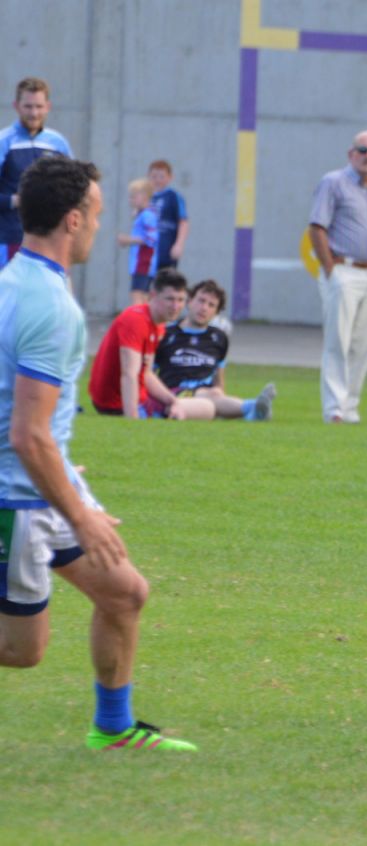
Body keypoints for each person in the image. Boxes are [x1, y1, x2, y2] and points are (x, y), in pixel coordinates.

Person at [0, 156, 196, 750]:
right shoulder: (52, 308)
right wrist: (79, 513)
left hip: (45, 481)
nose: (100, 229)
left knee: (125, 592)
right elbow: (26, 435)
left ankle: (112, 728)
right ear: (72, 220)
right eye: (97, 216)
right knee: (22, 651)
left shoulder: (15, 281)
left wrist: (61, 470)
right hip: (21, 498)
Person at [308, 130, 367, 424]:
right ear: (351, 153)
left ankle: (351, 405)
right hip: (342, 268)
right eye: (363, 150)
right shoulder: (333, 183)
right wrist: (330, 268)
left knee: (362, 343)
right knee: (337, 341)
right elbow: (317, 227)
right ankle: (334, 408)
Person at [87, 269, 206, 420]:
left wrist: (173, 402)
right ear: (153, 296)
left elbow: (146, 373)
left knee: (202, 404)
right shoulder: (135, 320)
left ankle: (245, 408)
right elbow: (129, 374)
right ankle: (245, 408)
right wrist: (133, 420)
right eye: (170, 299)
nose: (176, 306)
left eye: (181, 300)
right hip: (118, 405)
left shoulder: (159, 325)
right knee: (207, 406)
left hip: (135, 400)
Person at [153, 279, 275, 421]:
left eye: (211, 305)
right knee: (210, 397)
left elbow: (219, 378)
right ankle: (252, 407)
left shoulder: (219, 338)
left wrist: (220, 396)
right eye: (201, 301)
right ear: (189, 301)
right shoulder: (165, 333)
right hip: (173, 394)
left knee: (213, 394)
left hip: (206, 396)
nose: (204, 308)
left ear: (216, 312)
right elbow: (149, 373)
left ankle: (253, 411)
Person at [0, 78, 73, 266]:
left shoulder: (58, 143)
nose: (34, 113)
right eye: (28, 106)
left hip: (51, 241)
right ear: (16, 106)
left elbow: (74, 189)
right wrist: (13, 201)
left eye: (39, 106)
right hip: (10, 239)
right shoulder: (4, 141)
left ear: (48, 106)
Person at [116, 178, 158, 306]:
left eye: (134, 196)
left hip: (143, 261)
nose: (131, 200)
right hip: (140, 262)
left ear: (144, 197)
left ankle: (139, 323)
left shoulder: (147, 215)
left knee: (137, 295)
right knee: (142, 296)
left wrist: (127, 240)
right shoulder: (144, 213)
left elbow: (151, 238)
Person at [147, 160, 188, 270]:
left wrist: (179, 244)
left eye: (161, 176)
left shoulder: (174, 196)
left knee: (165, 283)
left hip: (166, 250)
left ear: (170, 177)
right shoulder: (146, 197)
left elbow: (183, 222)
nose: (157, 180)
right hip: (147, 251)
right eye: (154, 176)